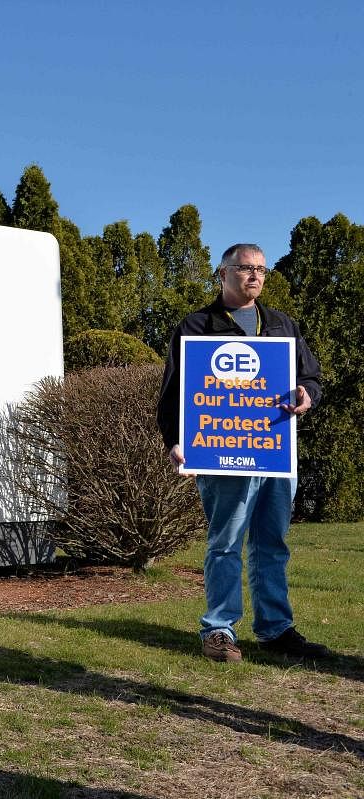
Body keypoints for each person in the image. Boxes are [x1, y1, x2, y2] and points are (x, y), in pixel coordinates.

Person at [157, 243, 331, 663]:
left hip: (273, 452)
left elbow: (311, 377)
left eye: (261, 270)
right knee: (225, 542)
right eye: (245, 268)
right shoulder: (197, 326)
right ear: (223, 273)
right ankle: (219, 630)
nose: (254, 276)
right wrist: (174, 441)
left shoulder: (282, 326)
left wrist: (306, 395)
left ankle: (276, 630)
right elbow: (172, 395)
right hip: (222, 453)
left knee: (273, 544)